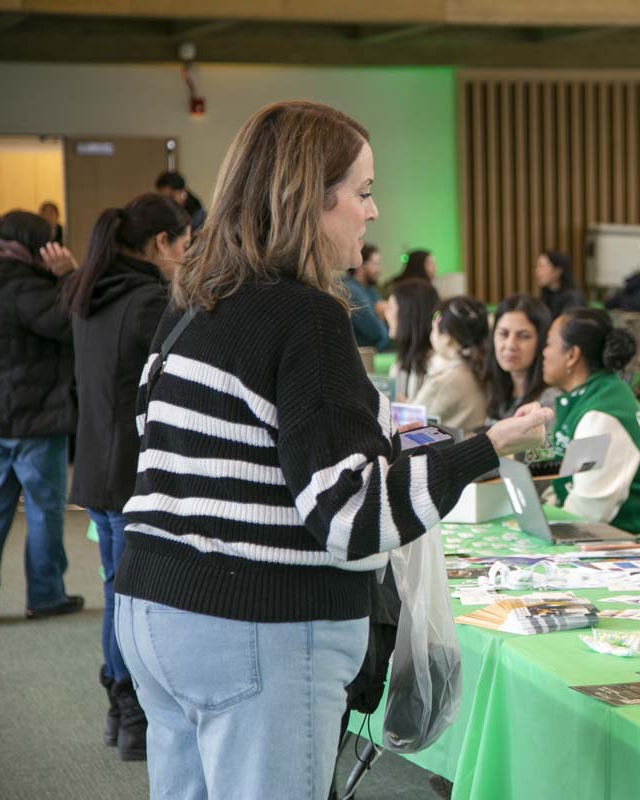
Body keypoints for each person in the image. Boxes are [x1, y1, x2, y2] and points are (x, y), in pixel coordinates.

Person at [112, 101, 551, 800]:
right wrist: (486, 448)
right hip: (257, 622)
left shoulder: (195, 305)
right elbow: (353, 520)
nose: (372, 214)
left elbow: (201, 456)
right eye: (363, 192)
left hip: (156, 612)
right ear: (309, 201)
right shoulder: (306, 316)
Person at [61, 193, 191, 761]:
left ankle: (122, 710)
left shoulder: (90, 292)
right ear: (161, 244)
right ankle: (132, 711)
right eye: (185, 246)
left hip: (94, 464)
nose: (189, 257)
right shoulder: (149, 302)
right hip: (132, 471)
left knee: (118, 589)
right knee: (130, 595)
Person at [0, 210, 82, 624]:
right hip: (37, 419)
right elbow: (70, 324)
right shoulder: (29, 287)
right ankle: (45, 596)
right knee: (44, 511)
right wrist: (68, 276)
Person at [542, 308, 640, 533]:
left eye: (549, 344)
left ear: (571, 355)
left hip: (639, 540)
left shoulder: (601, 417)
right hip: (608, 533)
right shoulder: (593, 395)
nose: (544, 353)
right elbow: (568, 480)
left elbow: (586, 513)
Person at [410, 295, 491, 430]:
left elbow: (411, 422)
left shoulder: (446, 380)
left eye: (434, 329)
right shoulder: (481, 367)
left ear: (446, 337)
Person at [486, 293, 559, 422]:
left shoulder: (549, 401)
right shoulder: (493, 388)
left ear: (542, 341)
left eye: (523, 336)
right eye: (503, 334)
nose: (510, 345)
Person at [385, 277, 439, 401]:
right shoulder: (399, 364)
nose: (386, 313)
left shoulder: (436, 367)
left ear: (408, 314)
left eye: (391, 307)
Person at [342, 242, 392, 351]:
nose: (379, 269)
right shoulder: (351, 291)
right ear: (360, 265)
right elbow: (378, 333)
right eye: (375, 264)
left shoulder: (370, 290)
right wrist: (382, 317)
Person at [534, 250, 585, 320]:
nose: (537, 271)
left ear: (558, 270)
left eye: (542, 267)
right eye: (537, 267)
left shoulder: (573, 296)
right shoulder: (547, 293)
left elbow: (569, 324)